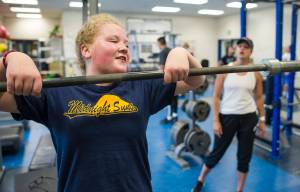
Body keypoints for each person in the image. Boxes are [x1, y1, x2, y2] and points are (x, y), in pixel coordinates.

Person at [0, 13, 205, 192]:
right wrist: (10, 59)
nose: (124, 48)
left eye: (126, 43)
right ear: (86, 50)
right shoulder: (56, 93)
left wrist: (181, 53)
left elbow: (196, 80)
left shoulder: (141, 86)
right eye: (114, 41)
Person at [192, 37, 265, 192]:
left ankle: (239, 189)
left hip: (249, 117)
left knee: (244, 157)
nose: (242, 49)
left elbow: (259, 97)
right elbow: (216, 96)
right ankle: (200, 180)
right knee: (216, 153)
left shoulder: (256, 73)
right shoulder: (225, 70)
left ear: (250, 51)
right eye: (240, 46)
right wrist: (215, 120)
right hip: (227, 117)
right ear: (235, 49)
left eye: (246, 47)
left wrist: (263, 119)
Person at [157, 36, 178, 123]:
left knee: (169, 99)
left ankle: (169, 118)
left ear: (159, 43)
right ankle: (175, 116)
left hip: (168, 78)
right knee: (174, 98)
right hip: (176, 77)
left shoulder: (162, 52)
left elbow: (162, 67)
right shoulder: (171, 50)